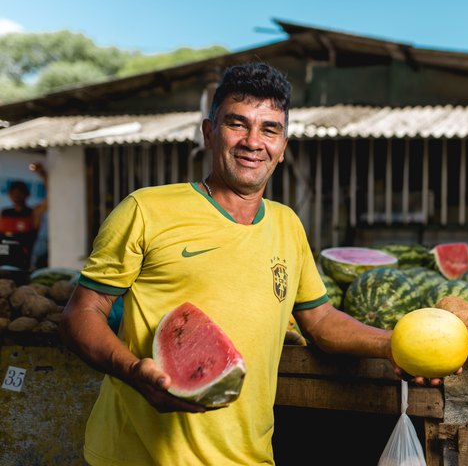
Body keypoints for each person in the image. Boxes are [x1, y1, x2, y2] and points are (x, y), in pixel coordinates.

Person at [60, 62, 448, 466]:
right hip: (138, 456)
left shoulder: (287, 224)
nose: (252, 141)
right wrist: (133, 371)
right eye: (237, 124)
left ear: (283, 147)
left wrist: (395, 346)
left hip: (250, 456)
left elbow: (319, 320)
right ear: (209, 133)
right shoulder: (146, 209)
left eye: (269, 129)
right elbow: (80, 315)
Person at [0, 163, 47, 270]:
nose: (16, 195)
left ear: (27, 194)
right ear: (10, 195)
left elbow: (51, 197)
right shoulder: (4, 213)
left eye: (20, 192)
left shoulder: (33, 213)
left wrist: (43, 175)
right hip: (2, 263)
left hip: (22, 265)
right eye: (14, 192)